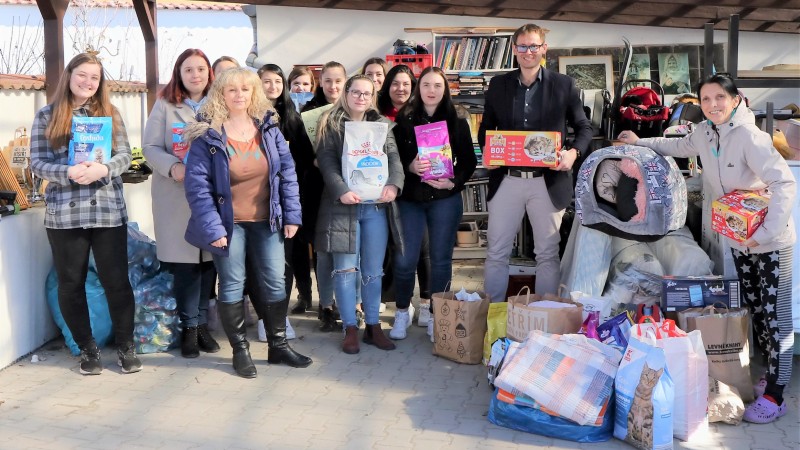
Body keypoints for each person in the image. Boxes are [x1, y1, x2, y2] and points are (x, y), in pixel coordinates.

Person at [618, 73, 796, 424]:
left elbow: (784, 183)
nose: (713, 105)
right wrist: (641, 141)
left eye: (720, 98)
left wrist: (766, 233)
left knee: (777, 317)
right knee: (757, 310)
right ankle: (770, 377)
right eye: (706, 99)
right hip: (741, 238)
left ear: (734, 99)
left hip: (771, 242)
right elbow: (676, 146)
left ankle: (777, 394)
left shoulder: (749, 136)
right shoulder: (705, 132)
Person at [183, 67, 312, 378]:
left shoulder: (269, 130)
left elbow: (287, 175)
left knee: (275, 281)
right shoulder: (208, 136)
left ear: (254, 93)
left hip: (268, 221)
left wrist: (292, 215)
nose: (239, 95)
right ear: (221, 95)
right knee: (232, 284)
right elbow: (197, 187)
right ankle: (240, 351)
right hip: (229, 225)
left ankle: (278, 346)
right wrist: (213, 229)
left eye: (245, 89)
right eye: (232, 90)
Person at [30, 52, 142, 375]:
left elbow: (124, 156)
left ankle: (126, 347)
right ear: (69, 75)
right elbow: (36, 162)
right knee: (70, 283)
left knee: (117, 282)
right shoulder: (46, 116)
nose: (88, 82)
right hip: (65, 214)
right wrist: (69, 172)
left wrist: (103, 169)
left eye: (94, 78)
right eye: (82, 75)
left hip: (107, 211)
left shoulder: (111, 114)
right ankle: (87, 349)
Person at [478, 23, 593, 300]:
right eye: (522, 46)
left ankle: (544, 318)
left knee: (548, 254)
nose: (528, 52)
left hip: (548, 182)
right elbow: (487, 128)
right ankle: (491, 316)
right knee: (496, 252)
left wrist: (572, 153)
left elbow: (584, 127)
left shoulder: (563, 85)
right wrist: (487, 151)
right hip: (507, 179)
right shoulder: (498, 84)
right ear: (514, 49)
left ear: (544, 49)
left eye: (533, 46)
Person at [315, 74, 405, 354]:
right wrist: (341, 189)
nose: (361, 98)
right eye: (356, 92)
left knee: (373, 271)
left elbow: (393, 158)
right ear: (346, 93)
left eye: (367, 93)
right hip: (343, 207)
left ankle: (374, 326)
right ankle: (350, 327)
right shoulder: (332, 123)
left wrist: (394, 184)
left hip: (375, 207)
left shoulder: (381, 125)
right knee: (344, 269)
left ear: (373, 96)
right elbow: (327, 160)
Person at [142, 48, 220, 358]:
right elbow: (149, 146)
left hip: (211, 195)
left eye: (201, 69)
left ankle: (201, 324)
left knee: (209, 262)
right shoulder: (164, 105)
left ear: (209, 73)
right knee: (187, 264)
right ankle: (189, 328)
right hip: (175, 194)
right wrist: (173, 167)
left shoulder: (220, 105)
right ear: (179, 73)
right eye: (189, 70)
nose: (195, 75)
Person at [390, 66, 477, 340]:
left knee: (440, 261)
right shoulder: (404, 120)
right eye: (426, 85)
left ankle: (438, 315)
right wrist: (410, 167)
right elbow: (394, 161)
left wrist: (453, 182)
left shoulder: (458, 120)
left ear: (445, 89)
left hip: (444, 198)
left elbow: (468, 161)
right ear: (419, 88)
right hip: (411, 200)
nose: (431, 91)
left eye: (437, 86)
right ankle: (403, 312)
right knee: (405, 260)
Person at [258, 63, 316, 324]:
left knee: (297, 249)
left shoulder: (292, 115)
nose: (273, 87)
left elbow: (304, 155)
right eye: (267, 81)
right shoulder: (251, 115)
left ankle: (304, 295)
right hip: (261, 193)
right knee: (275, 253)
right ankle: (272, 308)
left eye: (277, 82)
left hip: (294, 190)